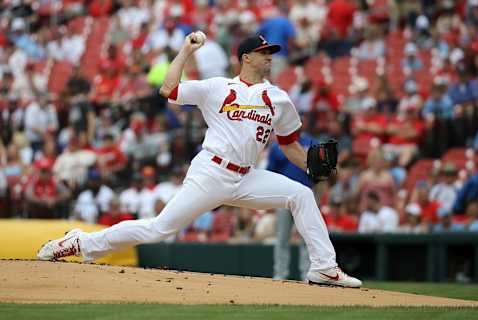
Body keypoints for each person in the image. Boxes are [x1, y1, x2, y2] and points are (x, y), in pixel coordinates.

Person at [37, 33, 361, 287]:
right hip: (211, 172)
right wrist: (186, 50)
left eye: (271, 53)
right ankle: (80, 242)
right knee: (159, 230)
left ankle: (324, 268)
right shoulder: (217, 87)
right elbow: (168, 89)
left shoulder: (279, 98)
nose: (269, 58)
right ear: (246, 57)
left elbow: (289, 144)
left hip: (247, 177)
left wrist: (309, 162)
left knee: (300, 194)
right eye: (264, 53)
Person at [267, 131, 316, 281]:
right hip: (283, 196)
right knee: (282, 238)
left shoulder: (311, 142)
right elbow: (270, 172)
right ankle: (279, 274)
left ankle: (307, 275)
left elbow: (319, 171)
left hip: (305, 195)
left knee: (306, 238)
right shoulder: (277, 145)